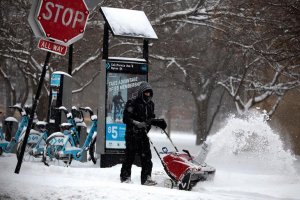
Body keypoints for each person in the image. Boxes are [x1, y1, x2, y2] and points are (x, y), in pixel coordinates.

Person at [120, 81, 157, 186]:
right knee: (129, 157)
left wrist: (156, 122)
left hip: (143, 135)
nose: (148, 95)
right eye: (146, 93)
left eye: (149, 93)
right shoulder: (132, 103)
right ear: (141, 92)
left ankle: (146, 179)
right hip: (132, 134)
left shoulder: (150, 104)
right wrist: (136, 124)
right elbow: (126, 118)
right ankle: (125, 178)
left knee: (147, 158)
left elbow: (151, 117)